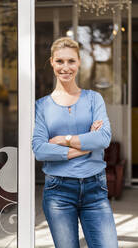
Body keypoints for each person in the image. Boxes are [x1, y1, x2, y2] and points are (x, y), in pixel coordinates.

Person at [32, 37, 118, 248]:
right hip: (58, 192)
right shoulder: (41, 106)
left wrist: (65, 140)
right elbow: (40, 150)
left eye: (71, 61)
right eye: (60, 61)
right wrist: (84, 148)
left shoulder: (94, 99)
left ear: (79, 62)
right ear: (52, 62)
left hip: (95, 188)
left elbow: (103, 137)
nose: (65, 67)